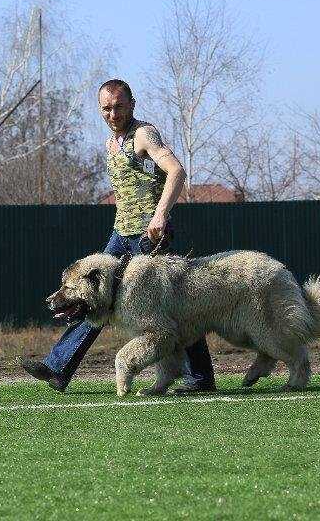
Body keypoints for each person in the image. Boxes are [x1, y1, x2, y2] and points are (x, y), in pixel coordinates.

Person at [20, 79, 216, 395]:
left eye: (119, 107)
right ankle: (58, 368)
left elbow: (176, 171)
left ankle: (201, 378)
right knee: (88, 295)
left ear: (132, 105)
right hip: (120, 234)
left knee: (178, 305)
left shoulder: (143, 134)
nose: (113, 114)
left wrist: (161, 214)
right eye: (107, 108)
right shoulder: (112, 142)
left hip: (149, 237)